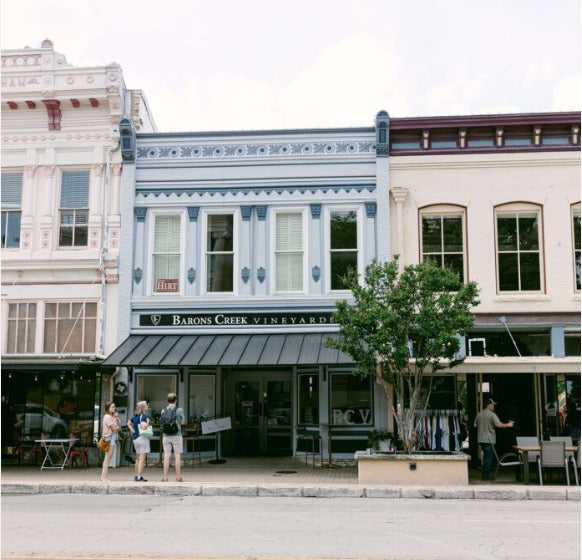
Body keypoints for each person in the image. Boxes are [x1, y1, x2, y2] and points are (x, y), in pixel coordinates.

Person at [474, 398, 515, 481]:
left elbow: (475, 425)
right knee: (488, 458)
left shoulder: (479, 414)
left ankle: (484, 475)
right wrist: (509, 424)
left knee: (486, 456)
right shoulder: (492, 414)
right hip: (489, 439)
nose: (494, 406)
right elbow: (499, 425)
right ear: (489, 405)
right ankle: (485, 476)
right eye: (493, 405)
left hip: (481, 439)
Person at [161, 393, 185, 482]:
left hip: (166, 435)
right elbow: (182, 422)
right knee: (177, 456)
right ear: (176, 400)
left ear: (168, 400)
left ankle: (165, 477)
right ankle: (178, 477)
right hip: (176, 435)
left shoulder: (163, 411)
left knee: (166, 456)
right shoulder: (179, 410)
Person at [127, 401, 150, 482]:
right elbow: (144, 427)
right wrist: (148, 421)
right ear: (143, 408)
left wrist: (133, 431)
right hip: (142, 438)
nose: (148, 406)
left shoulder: (135, 416)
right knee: (142, 459)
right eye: (146, 405)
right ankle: (139, 477)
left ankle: (136, 475)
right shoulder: (143, 416)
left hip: (135, 438)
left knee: (137, 458)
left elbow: (128, 423)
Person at [100, 402, 120, 482]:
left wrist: (117, 419)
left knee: (108, 457)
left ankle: (104, 476)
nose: (113, 408)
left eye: (114, 406)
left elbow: (116, 427)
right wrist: (118, 428)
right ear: (108, 408)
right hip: (109, 437)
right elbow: (114, 429)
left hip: (111, 437)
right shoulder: (108, 417)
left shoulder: (112, 417)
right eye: (112, 407)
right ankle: (104, 477)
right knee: (108, 458)